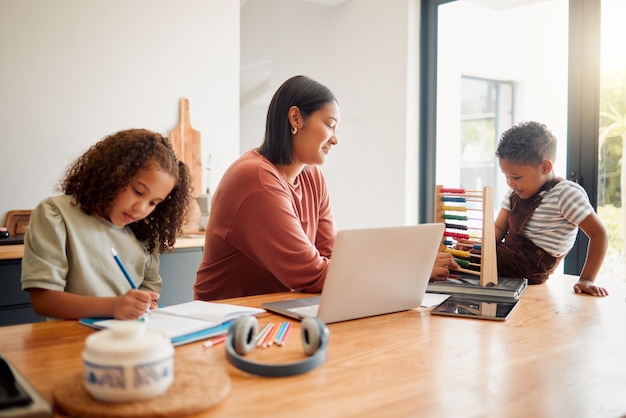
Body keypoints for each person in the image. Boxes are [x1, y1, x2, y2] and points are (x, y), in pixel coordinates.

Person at [194, 75, 459, 301]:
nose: (335, 139)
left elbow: (333, 255)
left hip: (277, 308)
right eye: (330, 124)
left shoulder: (312, 177)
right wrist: (413, 267)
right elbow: (312, 273)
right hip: (228, 320)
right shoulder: (257, 179)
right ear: (296, 118)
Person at [21, 129, 194, 319]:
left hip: (127, 339)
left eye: (154, 203)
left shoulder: (144, 235)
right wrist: (113, 306)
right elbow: (44, 300)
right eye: (137, 191)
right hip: (71, 342)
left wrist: (146, 304)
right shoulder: (56, 214)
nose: (141, 209)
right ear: (115, 173)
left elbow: (148, 295)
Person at [494, 121, 608, 296]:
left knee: (459, 262)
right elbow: (499, 227)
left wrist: (586, 279)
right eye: (506, 176)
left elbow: (598, 234)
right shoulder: (515, 192)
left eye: (516, 177)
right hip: (506, 256)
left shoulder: (565, 194)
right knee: (463, 257)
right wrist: (481, 249)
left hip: (530, 267)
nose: (510, 183)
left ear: (545, 167)